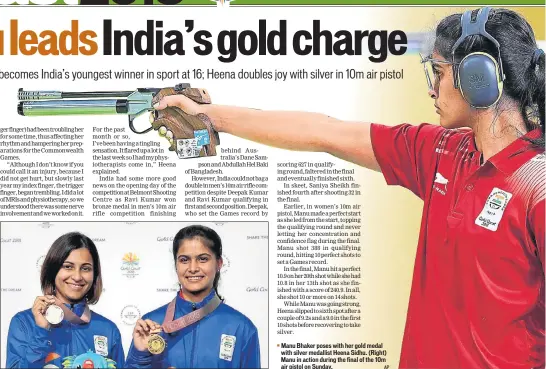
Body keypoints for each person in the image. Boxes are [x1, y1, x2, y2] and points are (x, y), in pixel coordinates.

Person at [152, 7, 544, 369]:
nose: (432, 90)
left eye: (439, 73)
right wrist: (206, 115)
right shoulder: (441, 152)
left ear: (477, 77)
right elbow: (324, 132)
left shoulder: (537, 184)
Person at [125, 225, 261, 368]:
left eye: (203, 259)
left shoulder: (242, 327)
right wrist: (140, 356)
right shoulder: (150, 324)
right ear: (176, 265)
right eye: (184, 260)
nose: (193, 268)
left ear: (219, 263)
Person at [6, 232, 125, 369]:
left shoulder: (107, 329)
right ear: (53, 270)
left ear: (95, 275)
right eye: (68, 266)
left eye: (85, 268)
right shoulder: (24, 322)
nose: (77, 276)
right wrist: (41, 332)